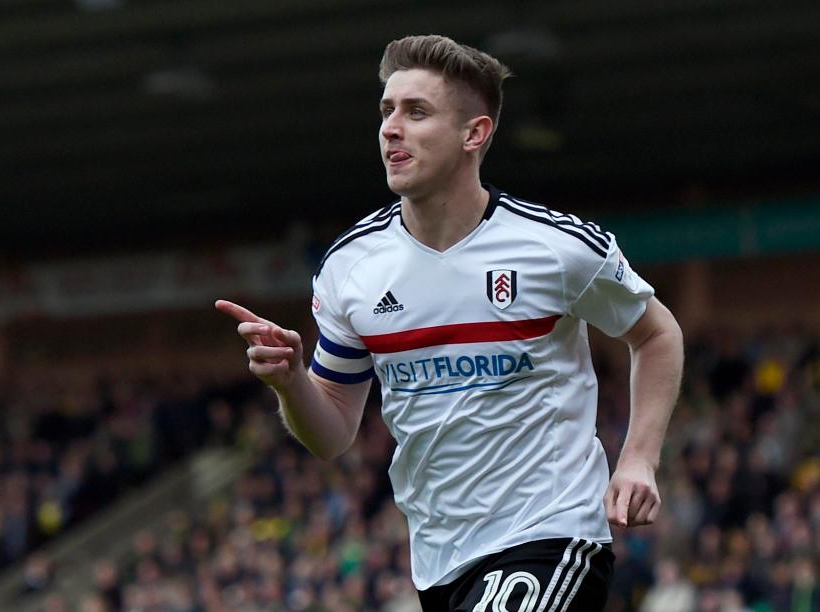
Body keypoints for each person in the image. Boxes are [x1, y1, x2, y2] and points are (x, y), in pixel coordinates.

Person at [217, 34, 684, 611]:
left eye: (417, 112)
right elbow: (333, 431)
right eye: (387, 111)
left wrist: (639, 456)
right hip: (439, 557)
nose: (392, 127)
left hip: (550, 530)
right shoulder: (350, 268)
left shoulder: (554, 247)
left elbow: (657, 333)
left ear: (475, 134)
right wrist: (290, 383)